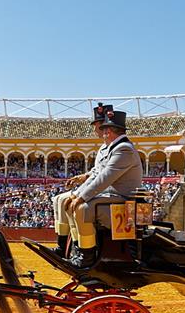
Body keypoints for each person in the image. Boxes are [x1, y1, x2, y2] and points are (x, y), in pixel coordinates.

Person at [62, 108, 144, 267]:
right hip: (112, 198)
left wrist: (79, 197)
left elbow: (104, 178)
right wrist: (76, 195)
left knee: (82, 208)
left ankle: (87, 257)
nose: (102, 132)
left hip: (123, 203)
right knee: (70, 203)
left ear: (110, 131)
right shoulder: (114, 147)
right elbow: (98, 176)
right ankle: (78, 249)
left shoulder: (124, 149)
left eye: (105, 129)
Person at [51, 102, 112, 256]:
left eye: (97, 125)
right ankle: (63, 245)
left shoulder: (119, 148)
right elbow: (97, 171)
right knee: (58, 199)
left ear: (106, 127)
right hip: (101, 189)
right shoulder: (104, 148)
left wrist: (78, 195)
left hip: (108, 191)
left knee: (73, 204)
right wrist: (82, 177)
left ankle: (83, 251)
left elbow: (103, 177)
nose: (95, 129)